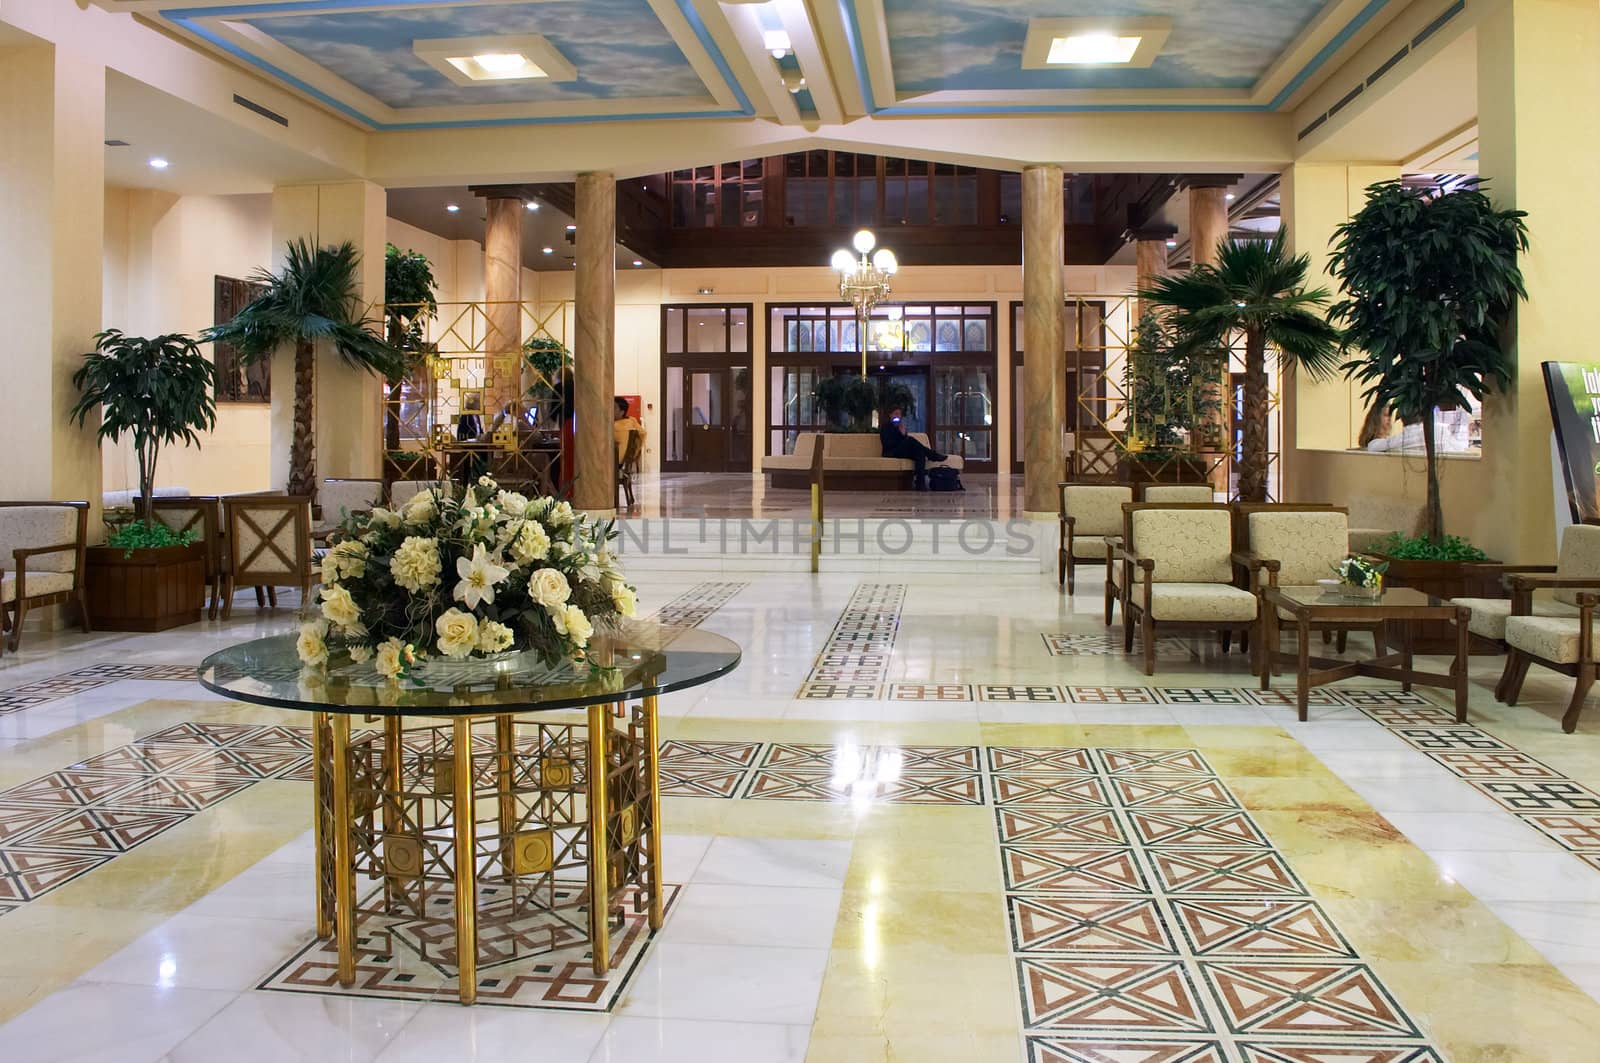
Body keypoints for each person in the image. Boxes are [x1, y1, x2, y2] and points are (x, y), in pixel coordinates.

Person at [878, 406, 946, 490]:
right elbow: (888, 444)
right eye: (896, 414)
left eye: (899, 414)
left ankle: (920, 483)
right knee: (910, 440)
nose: (898, 416)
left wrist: (903, 433)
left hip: (902, 451)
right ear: (890, 415)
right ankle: (931, 454)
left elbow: (905, 443)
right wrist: (902, 437)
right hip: (891, 452)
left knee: (920, 453)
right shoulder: (885, 427)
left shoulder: (900, 427)